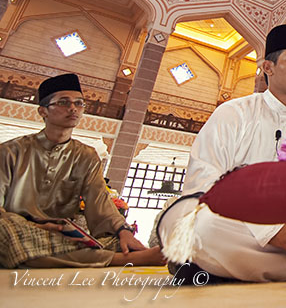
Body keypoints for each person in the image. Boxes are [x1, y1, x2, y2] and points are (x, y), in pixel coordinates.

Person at [159, 24, 286, 282]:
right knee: (196, 225)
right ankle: (280, 269)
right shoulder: (234, 113)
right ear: (268, 68)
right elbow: (202, 184)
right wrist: (269, 229)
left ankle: (221, 269)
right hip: (236, 227)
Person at [0, 74, 164, 268]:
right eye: (63, 102)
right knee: (6, 231)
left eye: (79, 103)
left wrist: (123, 230)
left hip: (62, 234)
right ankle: (118, 260)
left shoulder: (87, 156)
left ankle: (94, 256)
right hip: (18, 230)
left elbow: (100, 202)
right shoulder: (11, 151)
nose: (73, 108)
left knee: (116, 241)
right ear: (43, 111)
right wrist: (35, 226)